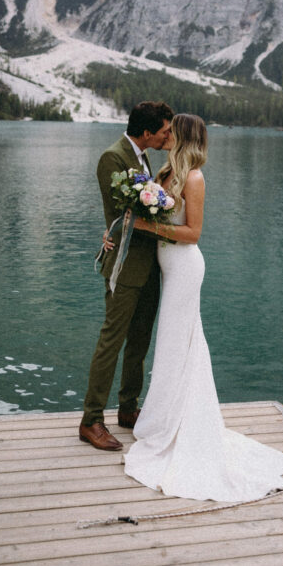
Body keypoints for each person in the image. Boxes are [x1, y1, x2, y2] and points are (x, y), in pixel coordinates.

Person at [122, 113, 283, 501]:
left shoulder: (194, 177)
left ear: (182, 136)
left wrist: (148, 227)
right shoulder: (167, 172)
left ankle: (177, 425)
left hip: (184, 269)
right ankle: (164, 418)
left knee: (177, 344)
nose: (165, 135)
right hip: (169, 268)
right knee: (173, 345)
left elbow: (193, 233)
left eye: (171, 131)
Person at [79, 100, 174, 451]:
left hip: (149, 265)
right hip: (125, 265)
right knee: (112, 341)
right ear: (147, 132)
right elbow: (124, 214)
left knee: (139, 340)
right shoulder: (112, 157)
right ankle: (91, 420)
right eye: (165, 130)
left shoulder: (143, 156)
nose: (169, 136)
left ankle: (128, 408)